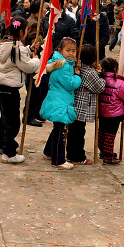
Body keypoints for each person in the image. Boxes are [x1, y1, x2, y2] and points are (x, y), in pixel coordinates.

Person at [0, 17, 41, 163]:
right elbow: (29, 66)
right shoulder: (17, 49)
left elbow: (16, 53)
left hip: (2, 86)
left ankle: (2, 144)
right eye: (26, 30)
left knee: (5, 118)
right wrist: (37, 59)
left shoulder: (3, 44)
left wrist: (29, 48)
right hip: (11, 88)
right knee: (13, 122)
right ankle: (9, 153)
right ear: (21, 32)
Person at [40, 37, 82, 169]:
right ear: (60, 50)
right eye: (68, 50)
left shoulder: (63, 63)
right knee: (60, 132)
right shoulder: (63, 66)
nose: (71, 53)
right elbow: (70, 84)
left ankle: (49, 151)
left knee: (57, 129)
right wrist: (77, 76)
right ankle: (58, 159)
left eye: (73, 51)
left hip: (58, 99)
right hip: (60, 102)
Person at [65, 43, 106, 165]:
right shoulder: (90, 73)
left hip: (73, 104)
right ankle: (78, 156)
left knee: (72, 132)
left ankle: (71, 154)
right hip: (82, 108)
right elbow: (100, 87)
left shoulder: (77, 68)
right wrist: (101, 74)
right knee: (78, 134)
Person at [96, 57, 124, 164]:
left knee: (102, 131)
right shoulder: (119, 83)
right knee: (110, 134)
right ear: (115, 69)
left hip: (102, 112)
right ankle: (108, 155)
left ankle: (103, 151)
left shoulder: (100, 79)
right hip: (114, 114)